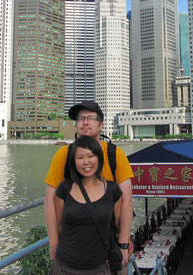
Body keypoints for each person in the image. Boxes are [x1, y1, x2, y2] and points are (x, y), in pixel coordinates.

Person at [45, 101, 134, 269]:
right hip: (72, 246)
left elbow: (127, 200)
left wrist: (123, 242)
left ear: (101, 125)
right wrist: (54, 241)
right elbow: (50, 201)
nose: (85, 122)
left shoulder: (114, 154)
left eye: (90, 118)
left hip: (110, 243)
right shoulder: (63, 155)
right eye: (80, 119)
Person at [49, 135, 122, 274]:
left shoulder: (113, 190)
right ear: (74, 162)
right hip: (64, 266)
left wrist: (122, 246)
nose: (86, 162)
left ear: (99, 159)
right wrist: (54, 244)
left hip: (99, 266)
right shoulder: (64, 188)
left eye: (91, 156)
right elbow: (59, 226)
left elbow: (118, 225)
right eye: (80, 158)